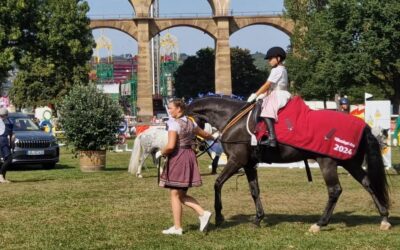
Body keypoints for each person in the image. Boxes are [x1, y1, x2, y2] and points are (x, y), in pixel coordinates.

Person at [155, 98, 219, 235]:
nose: (169, 110)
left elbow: (171, 146)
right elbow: (205, 135)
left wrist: (161, 152)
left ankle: (179, 227)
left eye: (171, 108)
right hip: (189, 156)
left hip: (178, 157)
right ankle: (201, 214)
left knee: (174, 193)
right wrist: (215, 137)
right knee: (181, 194)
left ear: (179, 109)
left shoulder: (173, 124)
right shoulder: (191, 121)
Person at [247, 46, 291, 147]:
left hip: (278, 94)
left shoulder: (277, 70)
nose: (269, 61)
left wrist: (255, 94)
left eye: (271, 58)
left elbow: (267, 84)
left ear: (278, 58)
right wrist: (262, 95)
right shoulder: (283, 69)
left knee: (266, 111)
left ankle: (272, 138)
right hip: (276, 92)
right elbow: (270, 87)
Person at [0, 108, 13, 183]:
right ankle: (1, 176)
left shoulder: (8, 121)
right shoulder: (7, 121)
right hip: (2, 141)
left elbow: (11, 133)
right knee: (9, 159)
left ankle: (2, 178)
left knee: (5, 160)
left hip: (5, 140)